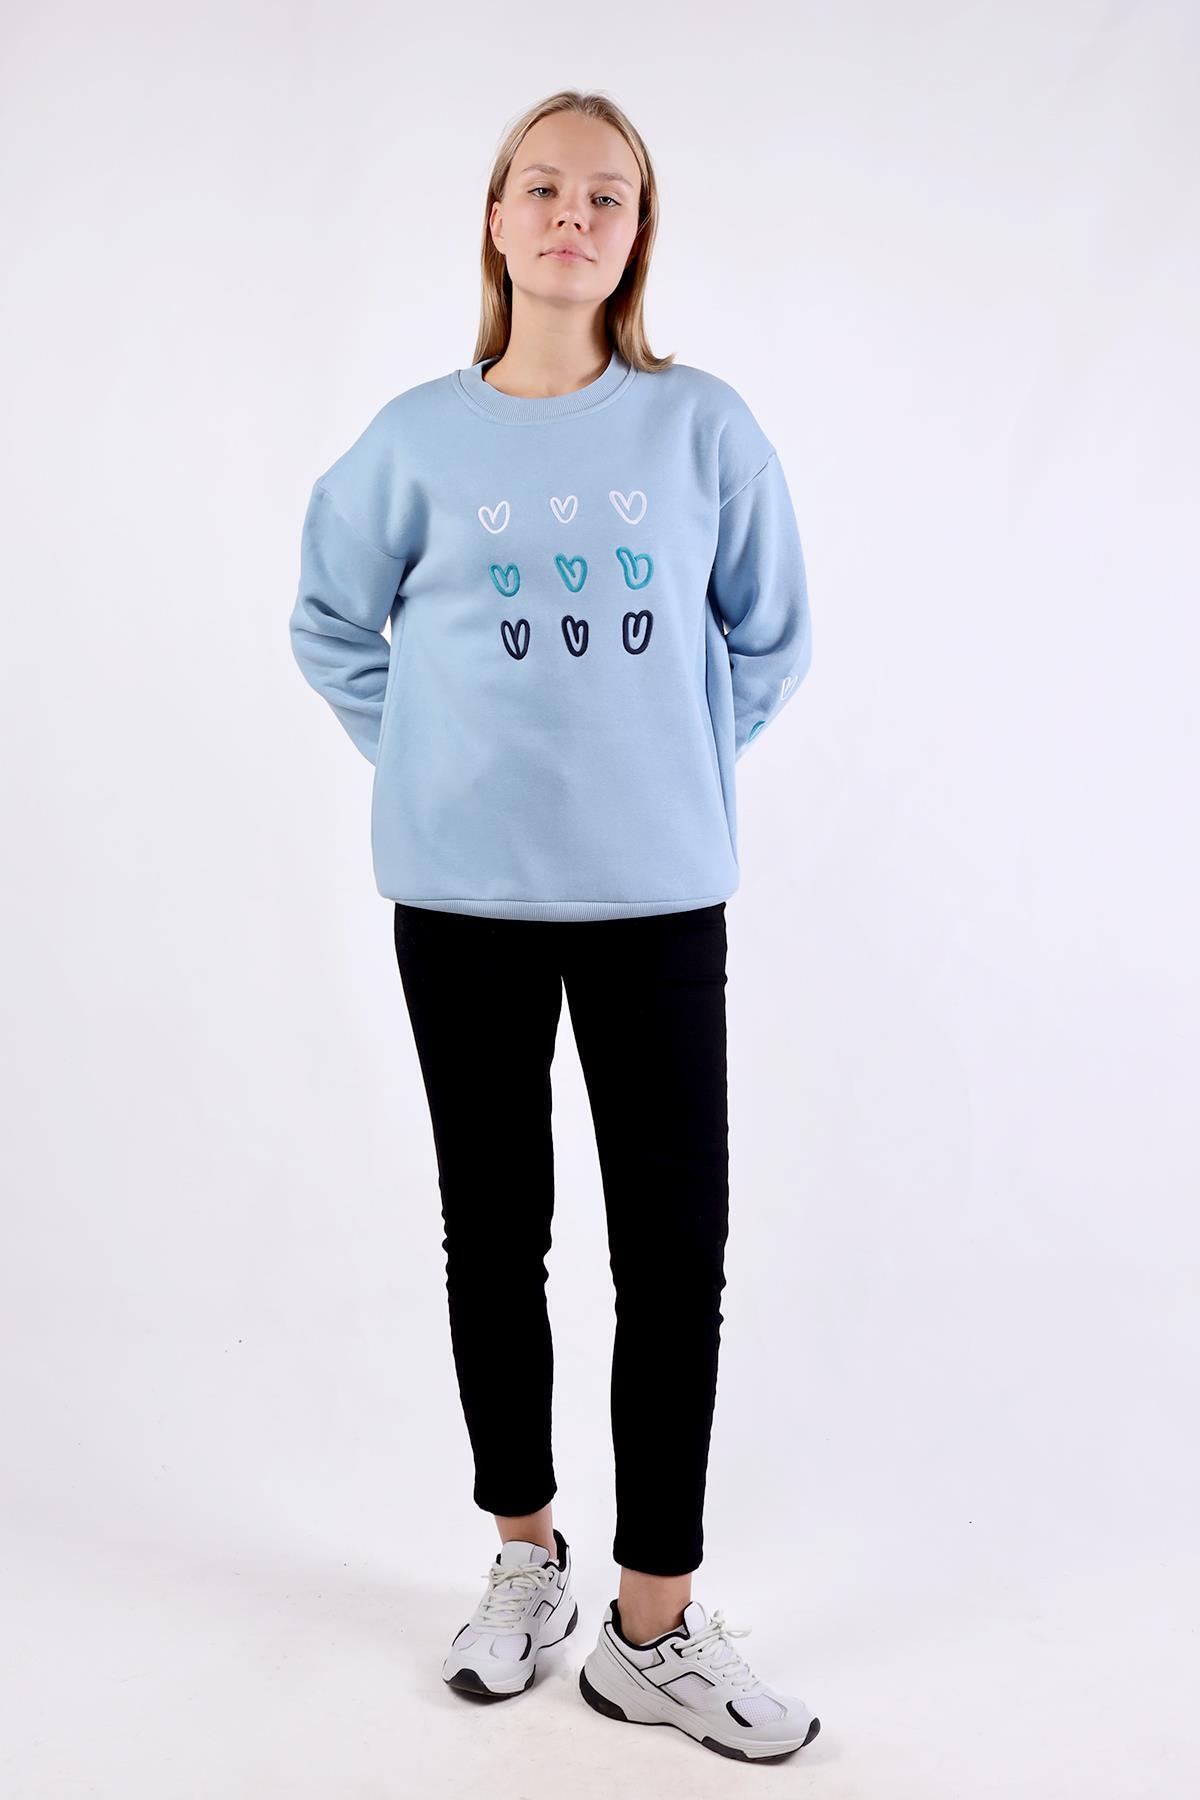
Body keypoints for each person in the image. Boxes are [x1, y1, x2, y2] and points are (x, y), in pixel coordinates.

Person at [288, 88, 820, 1763]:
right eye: (542, 188)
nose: (572, 216)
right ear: (497, 221)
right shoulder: (414, 440)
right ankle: (525, 1553)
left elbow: (772, 639)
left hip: (656, 897)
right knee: (493, 1230)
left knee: (673, 1258)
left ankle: (651, 1625)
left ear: (637, 234)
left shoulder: (702, 427)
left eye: (606, 195)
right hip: (462, 901)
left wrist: (665, 768)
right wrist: (437, 759)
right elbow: (329, 625)